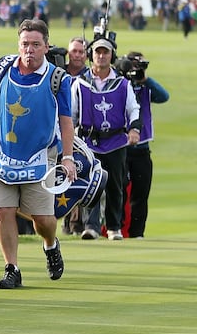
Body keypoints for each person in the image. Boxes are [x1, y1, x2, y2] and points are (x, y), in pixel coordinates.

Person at [0, 19, 75, 289]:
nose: (29, 50)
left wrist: (67, 157)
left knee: (42, 219)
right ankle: (12, 268)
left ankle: (50, 244)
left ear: (46, 46)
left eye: (35, 44)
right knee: (4, 210)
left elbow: (66, 120)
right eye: (25, 44)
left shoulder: (57, 79)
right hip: (2, 154)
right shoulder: (1, 68)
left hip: (39, 156)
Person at [71, 36, 141, 241]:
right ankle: (91, 226)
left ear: (112, 56)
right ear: (91, 55)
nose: (101, 56)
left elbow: (133, 109)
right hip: (89, 142)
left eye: (105, 52)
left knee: (115, 186)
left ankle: (113, 227)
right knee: (92, 184)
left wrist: (134, 129)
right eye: (98, 52)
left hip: (116, 141)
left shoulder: (122, 84)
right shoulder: (80, 83)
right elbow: (73, 113)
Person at [122, 52, 169, 238]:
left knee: (140, 195)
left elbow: (164, 96)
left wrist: (145, 80)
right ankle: (117, 229)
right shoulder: (119, 84)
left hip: (142, 148)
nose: (136, 69)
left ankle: (137, 233)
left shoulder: (145, 86)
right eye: (133, 65)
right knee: (120, 192)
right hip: (121, 147)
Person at [61, 37, 88, 236]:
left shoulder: (88, 77)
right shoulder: (59, 73)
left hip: (79, 134)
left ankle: (75, 224)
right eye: (74, 51)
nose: (77, 55)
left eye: (81, 51)